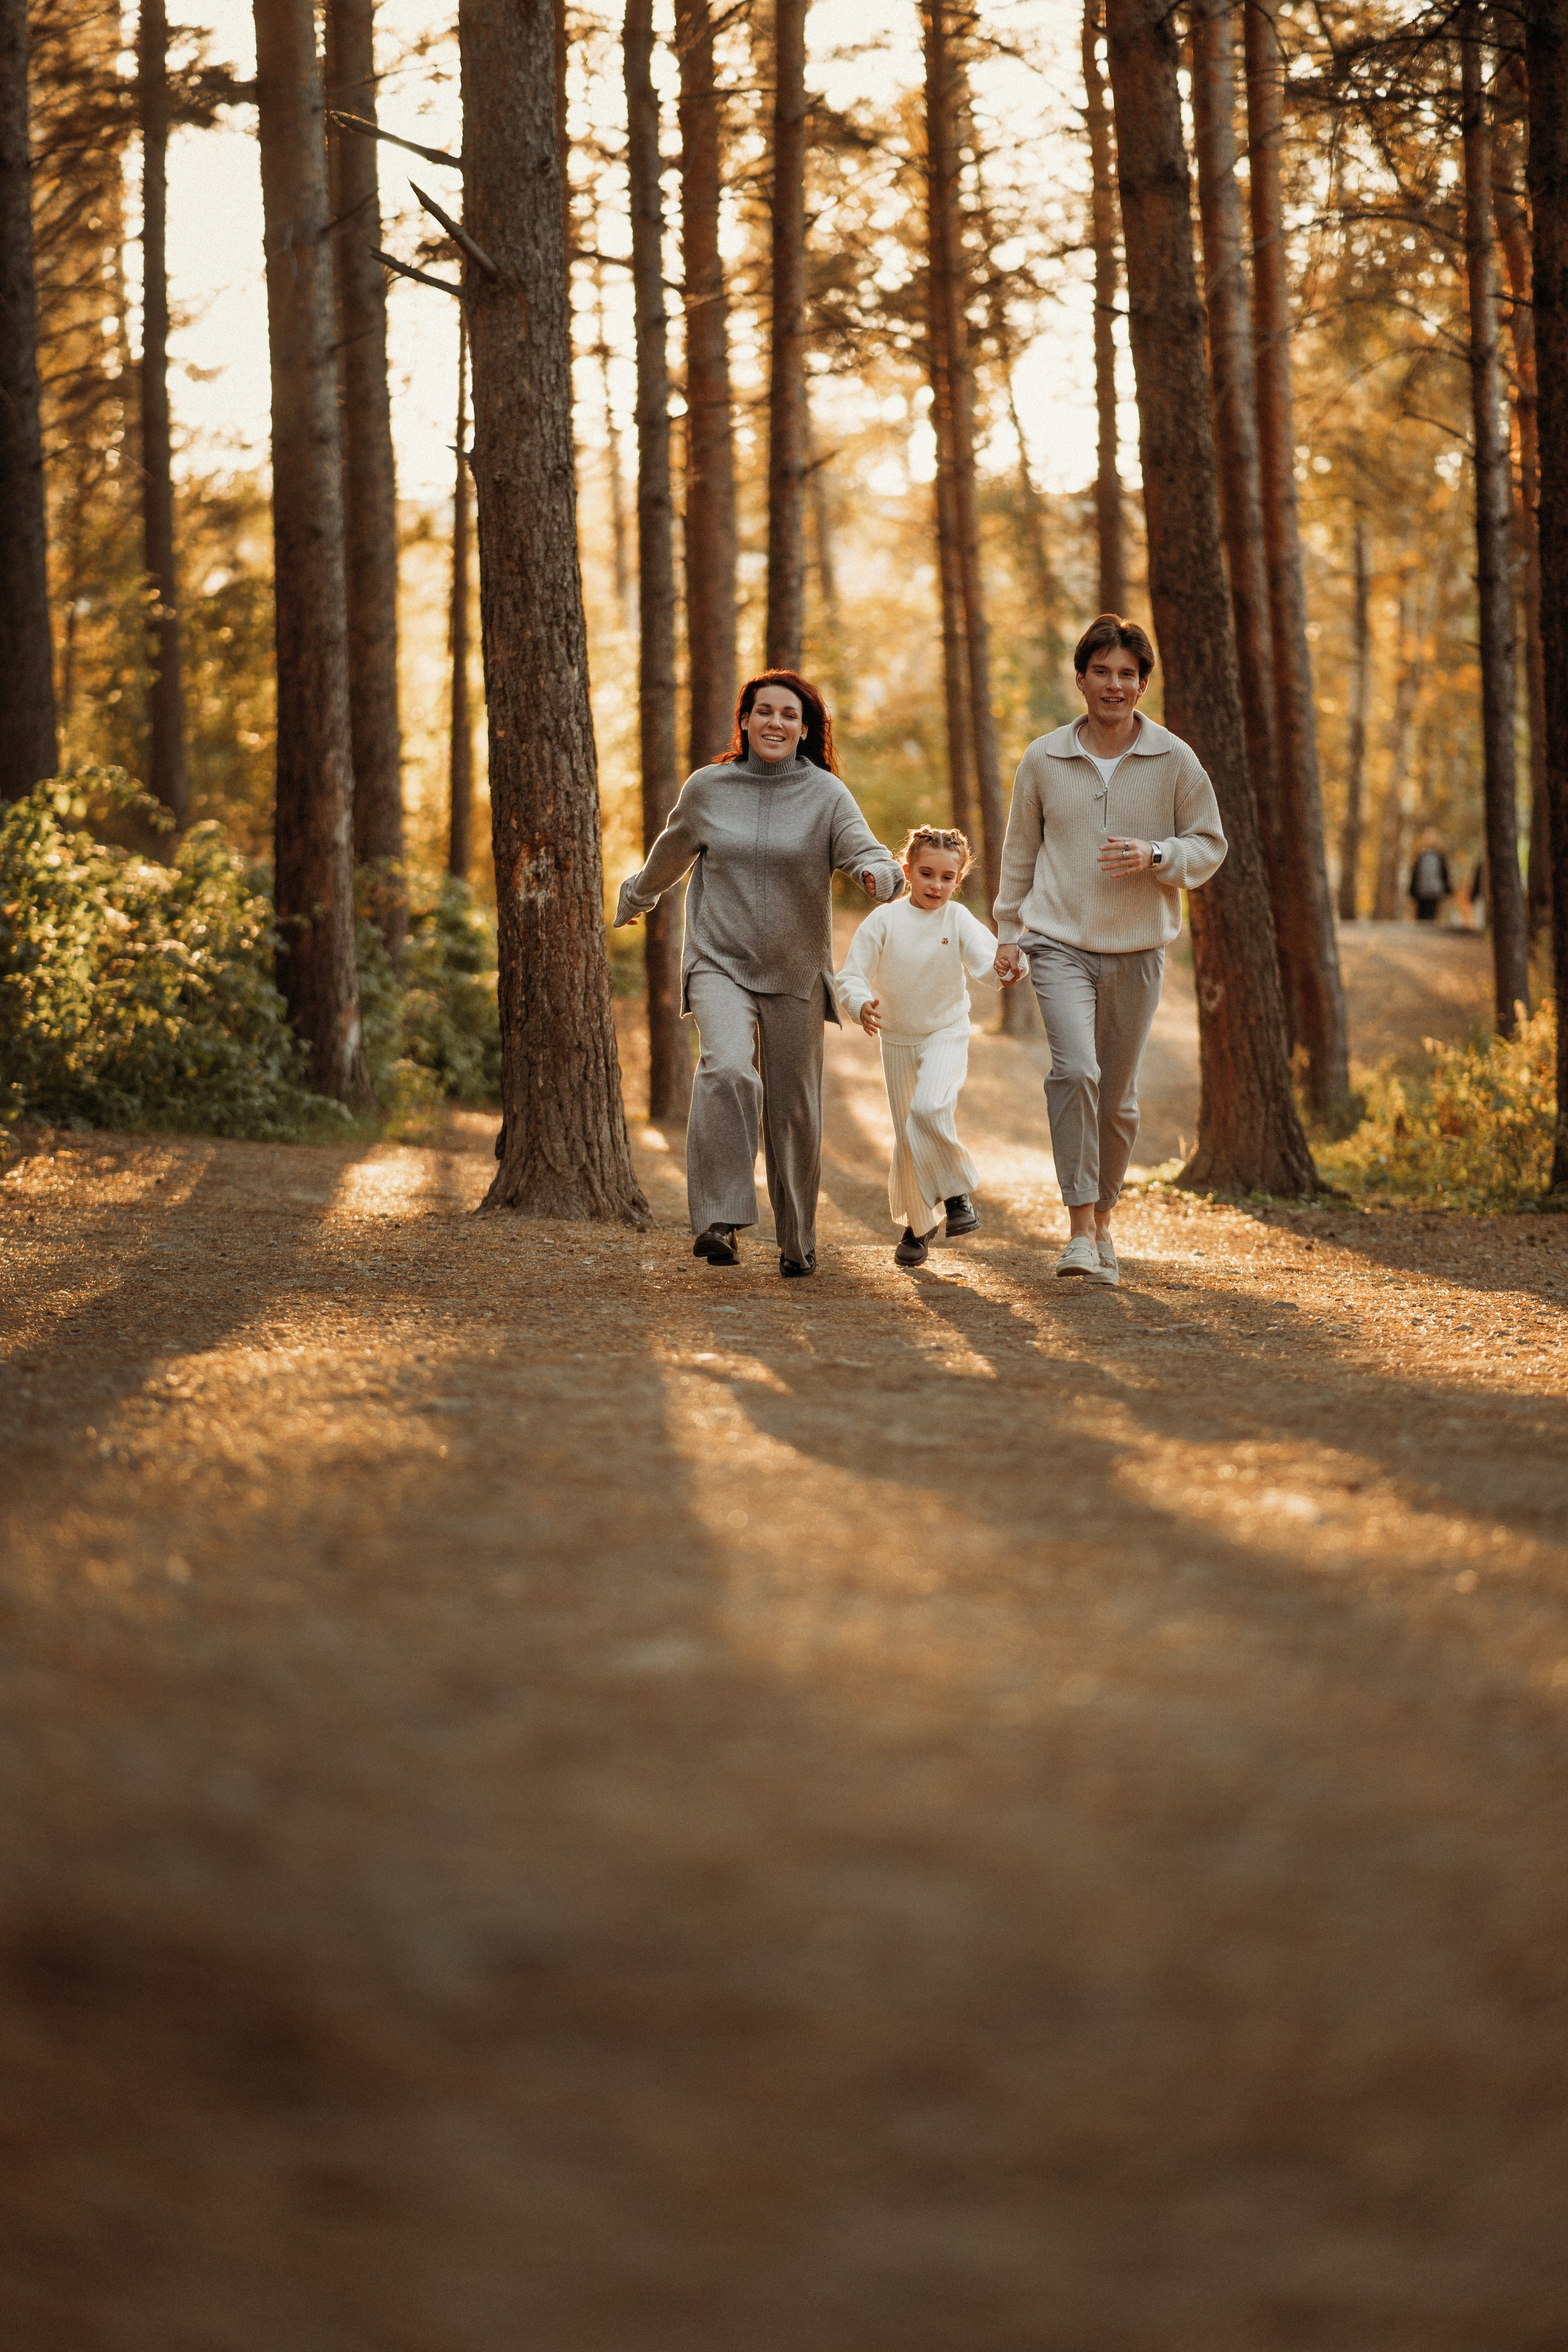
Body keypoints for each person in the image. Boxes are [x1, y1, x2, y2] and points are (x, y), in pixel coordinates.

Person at [614, 671, 903, 1277]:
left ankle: (797, 1242)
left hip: (797, 971)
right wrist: (636, 897)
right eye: (764, 711)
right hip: (719, 962)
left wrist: (882, 876)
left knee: (794, 1112)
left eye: (789, 715)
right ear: (743, 721)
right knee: (724, 1066)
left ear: (805, 730)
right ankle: (718, 1219)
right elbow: (668, 854)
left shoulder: (826, 795)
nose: (776, 723)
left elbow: (863, 849)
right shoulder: (708, 788)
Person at [992, 614, 1227, 1287]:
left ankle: (1103, 1222)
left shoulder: (1173, 759)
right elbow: (1019, 854)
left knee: (1118, 1099)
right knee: (1075, 1073)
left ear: (1143, 685)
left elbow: (1209, 844)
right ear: (1081, 678)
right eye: (1101, 671)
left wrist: (1157, 854)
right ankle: (1076, 1230)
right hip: (1058, 940)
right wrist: (1009, 933)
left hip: (1139, 949)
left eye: (1127, 674)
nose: (1113, 685)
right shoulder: (1042, 758)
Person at [834, 824, 1012, 1269]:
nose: (937, 885)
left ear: (959, 878)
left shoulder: (958, 919)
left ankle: (957, 1196)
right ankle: (917, 1227)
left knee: (929, 1111)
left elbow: (988, 964)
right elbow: (850, 975)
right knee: (909, 1137)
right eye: (927, 874)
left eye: (947, 878)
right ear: (908, 871)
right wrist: (859, 1004)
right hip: (896, 1038)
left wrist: (1009, 965)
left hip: (946, 1032)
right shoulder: (884, 920)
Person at [1408, 831, 1451, 923]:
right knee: (1424, 917)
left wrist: (1447, 889)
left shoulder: (1437, 857)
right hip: (1424, 891)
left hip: (1431, 891)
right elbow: (1415, 875)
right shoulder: (1422, 857)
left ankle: (1427, 932)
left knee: (1429, 917)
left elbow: (1444, 874)